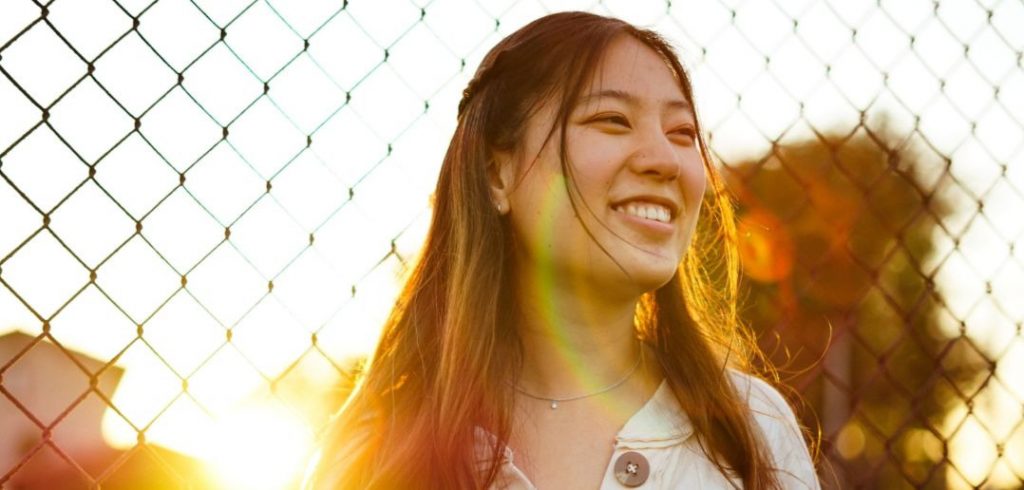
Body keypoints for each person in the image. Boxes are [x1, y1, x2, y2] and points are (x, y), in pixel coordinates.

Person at [304, 11, 818, 489]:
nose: (666, 159)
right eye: (612, 120)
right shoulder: (379, 451)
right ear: (495, 174)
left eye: (683, 132)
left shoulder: (753, 432)